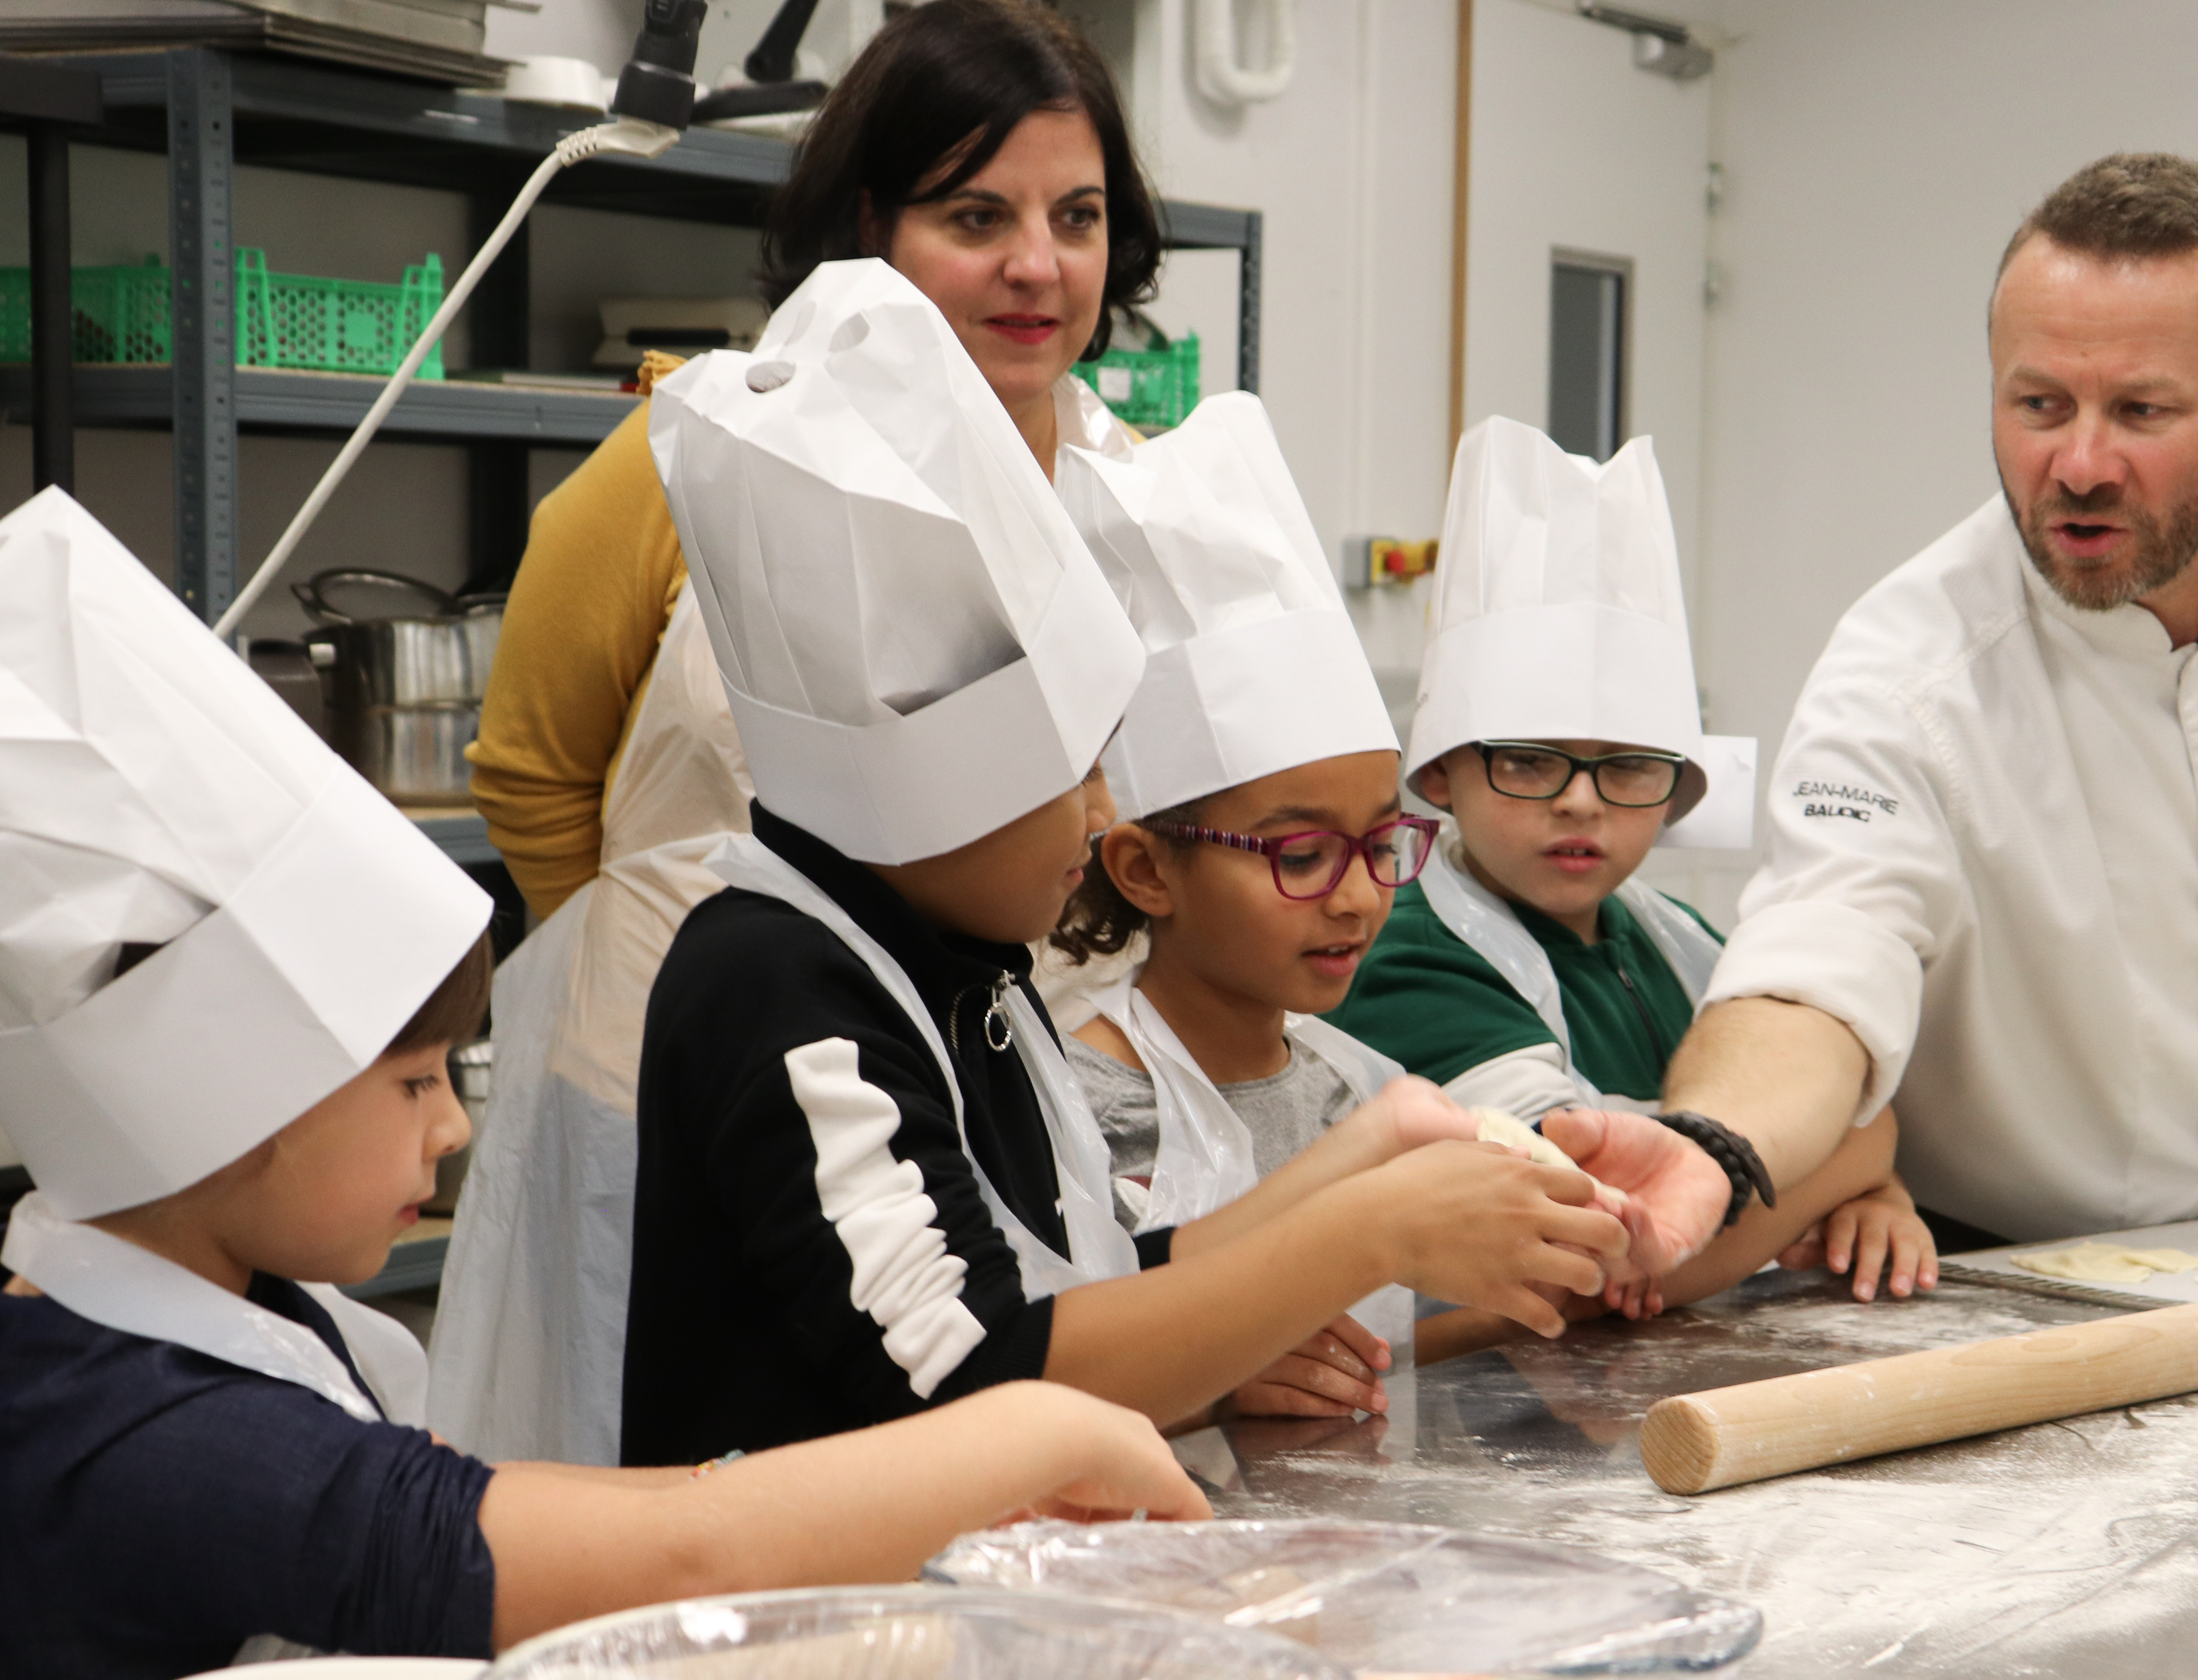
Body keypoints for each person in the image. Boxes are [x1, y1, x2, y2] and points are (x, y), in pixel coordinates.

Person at [0, 490, 1206, 1680]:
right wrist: (1027, 1432)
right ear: (246, 1107)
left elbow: (605, 1514)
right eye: (415, 1082)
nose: (454, 1125)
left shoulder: (197, 1311)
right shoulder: (153, 1445)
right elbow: (685, 1555)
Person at [620, 261, 1632, 1466]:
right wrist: (1368, 1235)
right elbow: (971, 1377)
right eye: (1078, 777)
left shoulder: (965, 967)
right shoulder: (777, 982)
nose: (1103, 818)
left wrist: (1371, 1154)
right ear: (950, 790)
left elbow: (1088, 1283)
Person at [436, 0, 1159, 1463]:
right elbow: (530, 763)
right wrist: (667, 983)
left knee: (998, 1449)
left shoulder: (1132, 487)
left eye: (1076, 217)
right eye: (977, 215)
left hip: (1004, 1081)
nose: (1037, 265)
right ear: (871, 221)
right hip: (683, 1086)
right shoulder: (714, 449)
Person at [1668, 153, 2198, 1248]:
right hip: (2009, 1266)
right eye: (2040, 405)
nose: (2079, 464)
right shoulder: (1904, 675)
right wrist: (1712, 1148)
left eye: (2141, 410)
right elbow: (1815, 973)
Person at [1328, 416, 1934, 1308]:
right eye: (1528, 761)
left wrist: (1877, 1193)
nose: (1581, 802)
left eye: (1628, 768)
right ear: (1442, 773)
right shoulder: (1406, 957)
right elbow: (1607, 1249)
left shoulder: (1673, 935)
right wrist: (1857, 1158)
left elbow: (1837, 1114)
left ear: (1678, 789)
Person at [1047, 388, 1445, 1420]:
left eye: (1382, 846)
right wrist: (1199, 1379)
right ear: (1146, 870)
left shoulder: (1358, 1093)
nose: (1357, 897)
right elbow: (1023, 1377)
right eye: (1301, 855)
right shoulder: (1073, 1111)